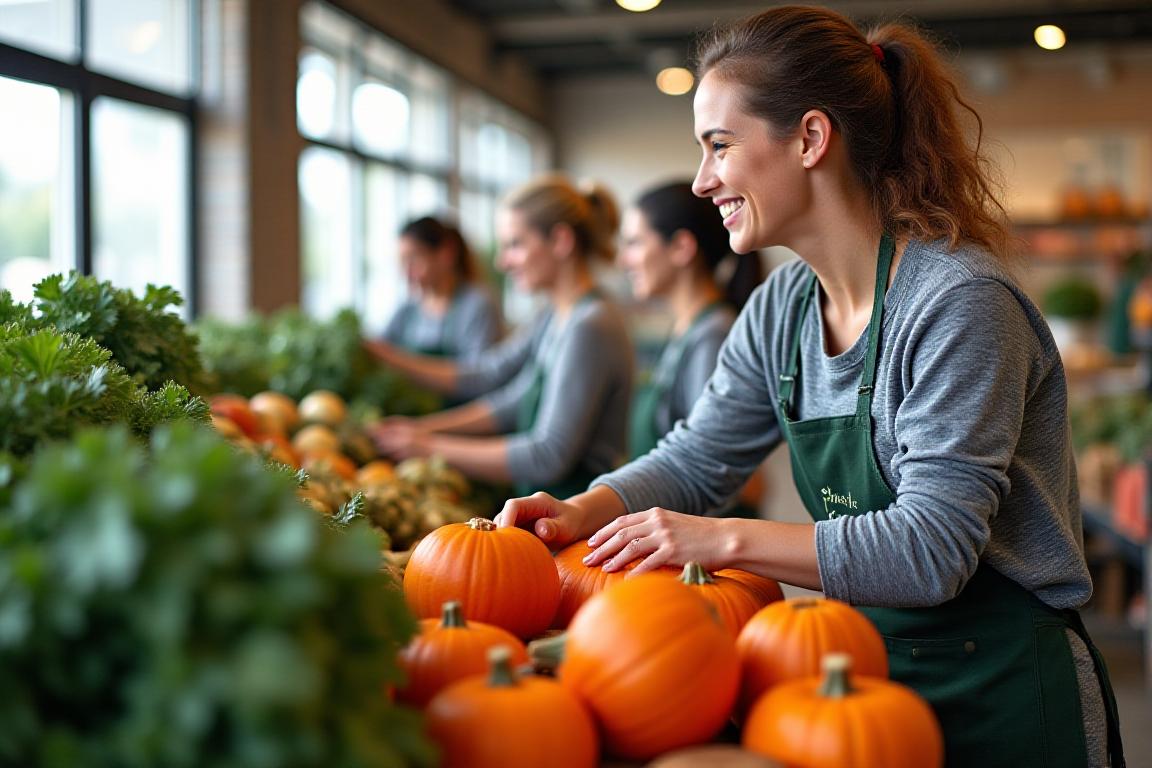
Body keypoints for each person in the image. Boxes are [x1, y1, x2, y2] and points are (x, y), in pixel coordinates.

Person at [496, 7, 1124, 767]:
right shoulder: (782, 307)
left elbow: (932, 548)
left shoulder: (959, 304)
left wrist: (715, 536)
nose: (703, 180)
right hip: (864, 677)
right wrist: (581, 510)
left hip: (1009, 697)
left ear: (810, 139)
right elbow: (700, 457)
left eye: (719, 145)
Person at [369, 175, 633, 498]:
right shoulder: (553, 316)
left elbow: (548, 455)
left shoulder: (590, 325)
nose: (501, 262)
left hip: (580, 521)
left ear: (561, 241)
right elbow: (512, 402)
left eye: (515, 245)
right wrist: (421, 429)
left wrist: (427, 445)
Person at [376, 216, 501, 361]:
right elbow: (381, 348)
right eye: (402, 262)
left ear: (446, 254)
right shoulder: (407, 310)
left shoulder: (477, 306)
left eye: (414, 259)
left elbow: (477, 374)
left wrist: (405, 364)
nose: (407, 273)